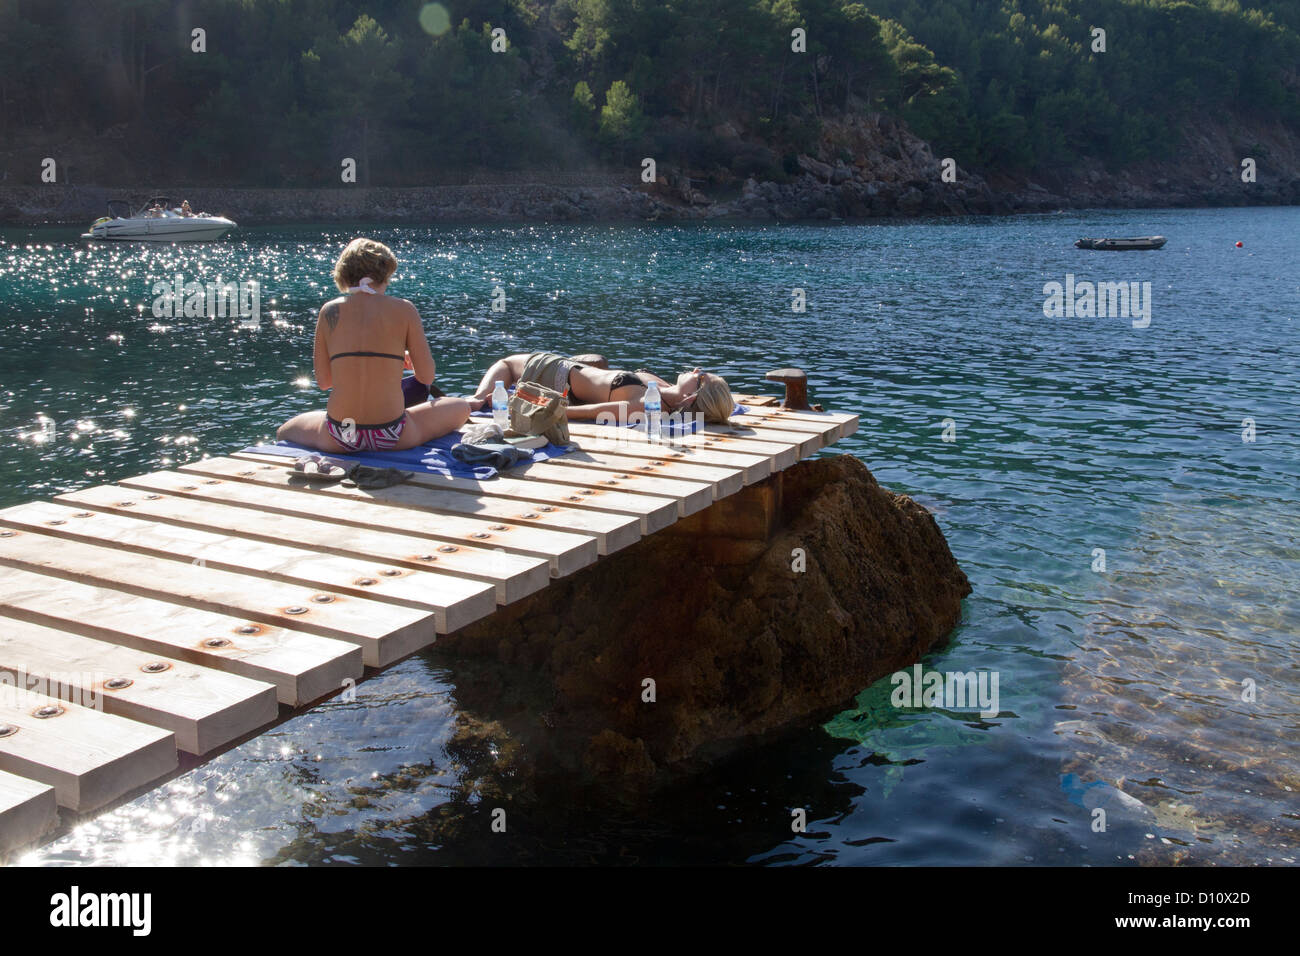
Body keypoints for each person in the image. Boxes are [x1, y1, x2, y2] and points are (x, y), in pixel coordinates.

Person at [277, 238, 470, 452]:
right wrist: (400, 361)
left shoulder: (329, 311)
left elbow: (324, 382)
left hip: (341, 435)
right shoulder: (404, 310)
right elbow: (426, 377)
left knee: (284, 431)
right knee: (461, 407)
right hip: (393, 434)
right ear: (384, 275)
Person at [467, 352, 734, 423]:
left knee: (507, 364)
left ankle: (476, 400)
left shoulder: (645, 407)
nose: (698, 370)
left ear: (690, 398)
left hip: (557, 375)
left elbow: (586, 412)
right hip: (567, 369)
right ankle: (479, 399)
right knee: (507, 368)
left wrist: (522, 403)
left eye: (702, 378)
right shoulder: (666, 393)